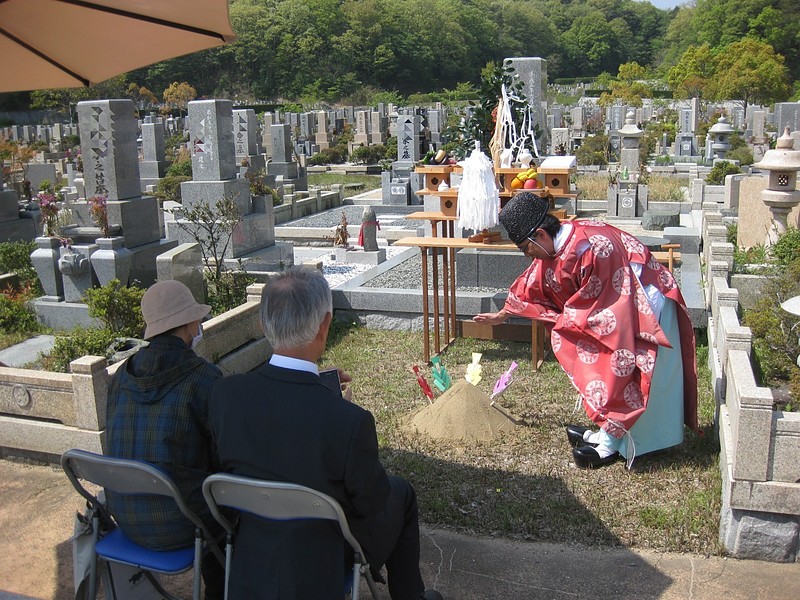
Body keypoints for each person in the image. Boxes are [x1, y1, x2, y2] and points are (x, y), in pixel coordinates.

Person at [209, 267, 442, 600]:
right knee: (400, 493)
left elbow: (267, 433)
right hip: (322, 559)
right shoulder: (349, 421)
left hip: (254, 545)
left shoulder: (225, 395)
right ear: (325, 325)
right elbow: (370, 503)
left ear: (263, 326)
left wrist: (317, 387)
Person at [475, 192, 699, 469]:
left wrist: (569, 325)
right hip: (619, 303)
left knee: (614, 362)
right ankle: (612, 434)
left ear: (541, 235)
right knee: (601, 357)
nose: (527, 255)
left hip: (643, 308)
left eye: (525, 248)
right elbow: (534, 283)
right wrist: (503, 314)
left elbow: (607, 310)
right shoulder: (558, 246)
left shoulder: (594, 247)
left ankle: (612, 443)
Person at [105, 280, 224, 599]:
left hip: (125, 515)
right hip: (183, 524)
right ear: (189, 323)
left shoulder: (120, 377)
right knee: (231, 509)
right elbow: (222, 457)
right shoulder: (205, 379)